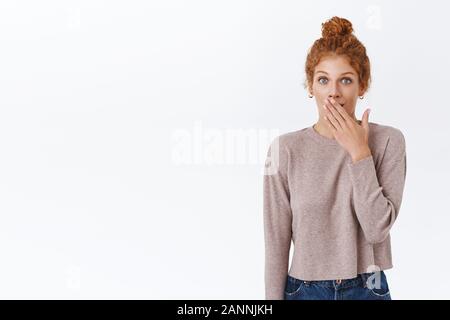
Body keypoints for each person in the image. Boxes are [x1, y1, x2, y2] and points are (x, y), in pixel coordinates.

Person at [263, 16, 407, 300]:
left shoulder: (388, 141)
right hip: (304, 289)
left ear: (362, 86)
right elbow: (276, 244)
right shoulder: (285, 150)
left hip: (368, 286)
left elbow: (377, 229)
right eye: (323, 80)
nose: (334, 92)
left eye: (346, 80)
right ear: (310, 86)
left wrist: (359, 153)